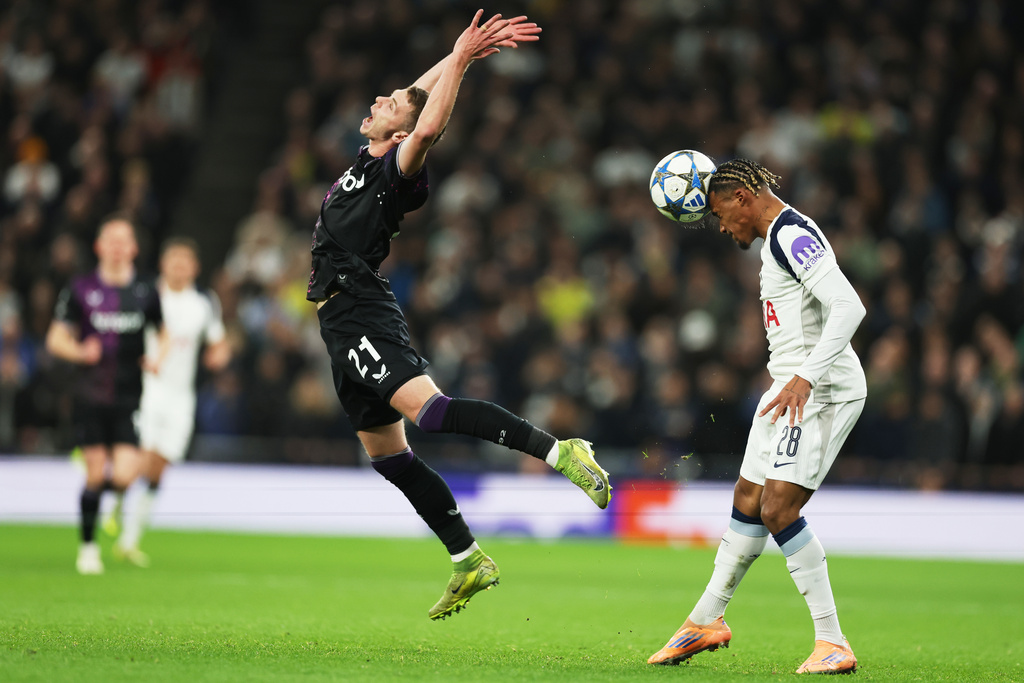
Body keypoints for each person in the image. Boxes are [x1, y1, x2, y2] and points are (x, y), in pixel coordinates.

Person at [307, 10, 611, 621]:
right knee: (389, 456)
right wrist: (459, 52)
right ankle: (467, 558)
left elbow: (426, 124)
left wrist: (461, 64)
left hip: (360, 310)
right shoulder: (369, 158)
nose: (379, 99)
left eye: (387, 103)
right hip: (338, 326)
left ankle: (560, 452)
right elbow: (418, 100)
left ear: (399, 133)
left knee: (432, 412)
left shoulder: (397, 168)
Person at [647, 159, 866, 674]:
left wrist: (807, 377)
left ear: (744, 196)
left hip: (820, 391)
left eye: (721, 213)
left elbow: (849, 306)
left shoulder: (792, 233)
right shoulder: (775, 240)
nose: (721, 226)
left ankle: (832, 642)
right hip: (787, 387)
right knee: (748, 499)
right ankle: (705, 620)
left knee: (778, 510)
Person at [46, 215, 165, 575]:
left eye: (123, 240)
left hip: (129, 397)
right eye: (110, 240)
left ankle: (102, 502)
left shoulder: (145, 291)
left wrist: (157, 356)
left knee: (128, 474)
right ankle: (87, 549)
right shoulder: (80, 288)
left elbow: (164, 332)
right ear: (99, 247)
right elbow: (55, 338)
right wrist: (80, 352)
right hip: (90, 397)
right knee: (96, 473)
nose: (116, 246)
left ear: (133, 248)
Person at [110, 237, 231, 566]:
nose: (179, 266)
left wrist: (219, 356)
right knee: (143, 459)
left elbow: (217, 341)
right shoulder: (147, 295)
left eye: (185, 261)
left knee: (158, 471)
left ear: (195, 267)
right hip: (147, 390)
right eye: (173, 260)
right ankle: (117, 496)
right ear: (163, 264)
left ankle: (128, 540)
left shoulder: (204, 303)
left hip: (181, 396)